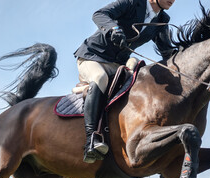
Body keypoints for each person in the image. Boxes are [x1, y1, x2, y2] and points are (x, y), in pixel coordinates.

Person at [74, 0, 176, 163]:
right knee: (100, 78)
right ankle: (91, 140)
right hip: (92, 56)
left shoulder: (162, 20)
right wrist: (114, 29)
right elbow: (99, 14)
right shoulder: (131, 2)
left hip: (117, 64)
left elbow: (166, 50)